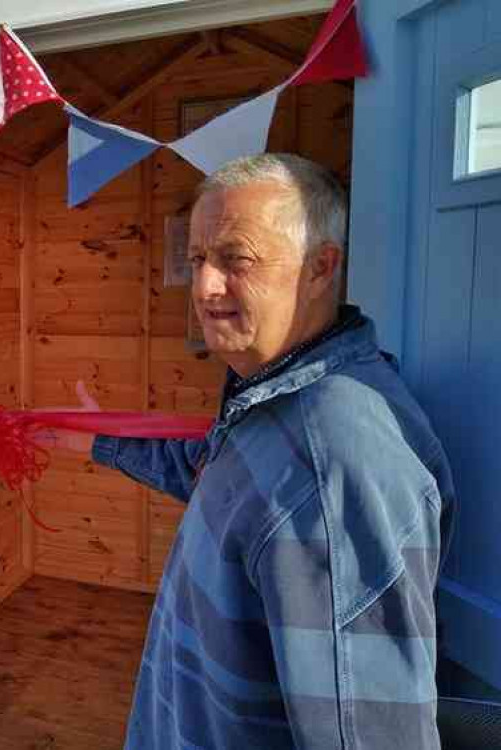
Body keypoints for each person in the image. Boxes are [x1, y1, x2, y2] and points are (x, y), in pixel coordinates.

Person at [73, 155, 455, 749]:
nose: (203, 286)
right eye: (198, 259)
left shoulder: (337, 465)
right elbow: (215, 484)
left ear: (320, 268)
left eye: (236, 259)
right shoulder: (273, 399)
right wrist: (90, 436)